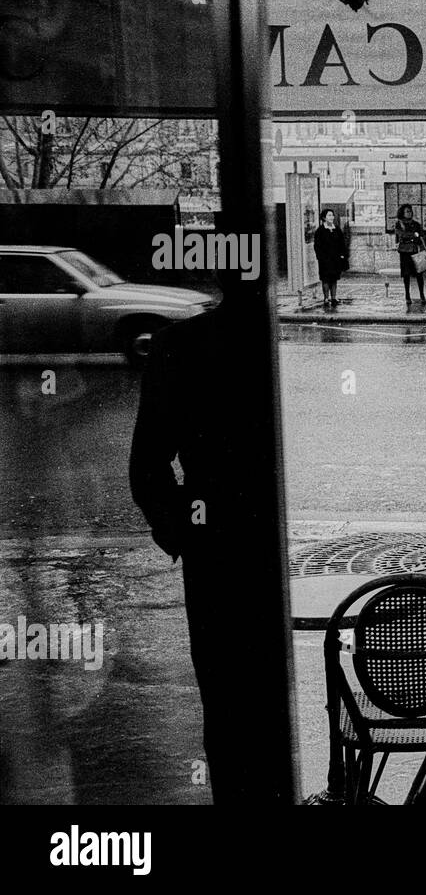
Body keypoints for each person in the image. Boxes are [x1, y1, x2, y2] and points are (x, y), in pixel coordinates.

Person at [129, 269, 292, 802]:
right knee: (264, 700)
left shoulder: (182, 344)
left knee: (224, 701)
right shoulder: (268, 345)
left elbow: (148, 466)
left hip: (214, 543)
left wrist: (184, 532)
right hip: (253, 541)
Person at [393, 203, 426, 307]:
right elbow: (401, 235)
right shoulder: (399, 224)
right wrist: (413, 235)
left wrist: (413, 236)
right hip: (404, 252)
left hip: (414, 250)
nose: (410, 213)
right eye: (407, 211)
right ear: (402, 213)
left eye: (410, 211)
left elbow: (420, 236)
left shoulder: (416, 224)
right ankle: (407, 296)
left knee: (419, 274)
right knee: (406, 275)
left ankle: (422, 295)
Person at [313, 209, 347, 308]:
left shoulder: (336, 229)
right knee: (326, 279)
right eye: (329, 215)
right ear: (324, 217)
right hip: (325, 259)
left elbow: (341, 243)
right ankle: (326, 298)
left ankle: (334, 297)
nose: (331, 217)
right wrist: (320, 257)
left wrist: (342, 254)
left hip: (335, 258)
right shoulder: (320, 230)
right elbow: (317, 245)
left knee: (334, 278)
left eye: (332, 215)